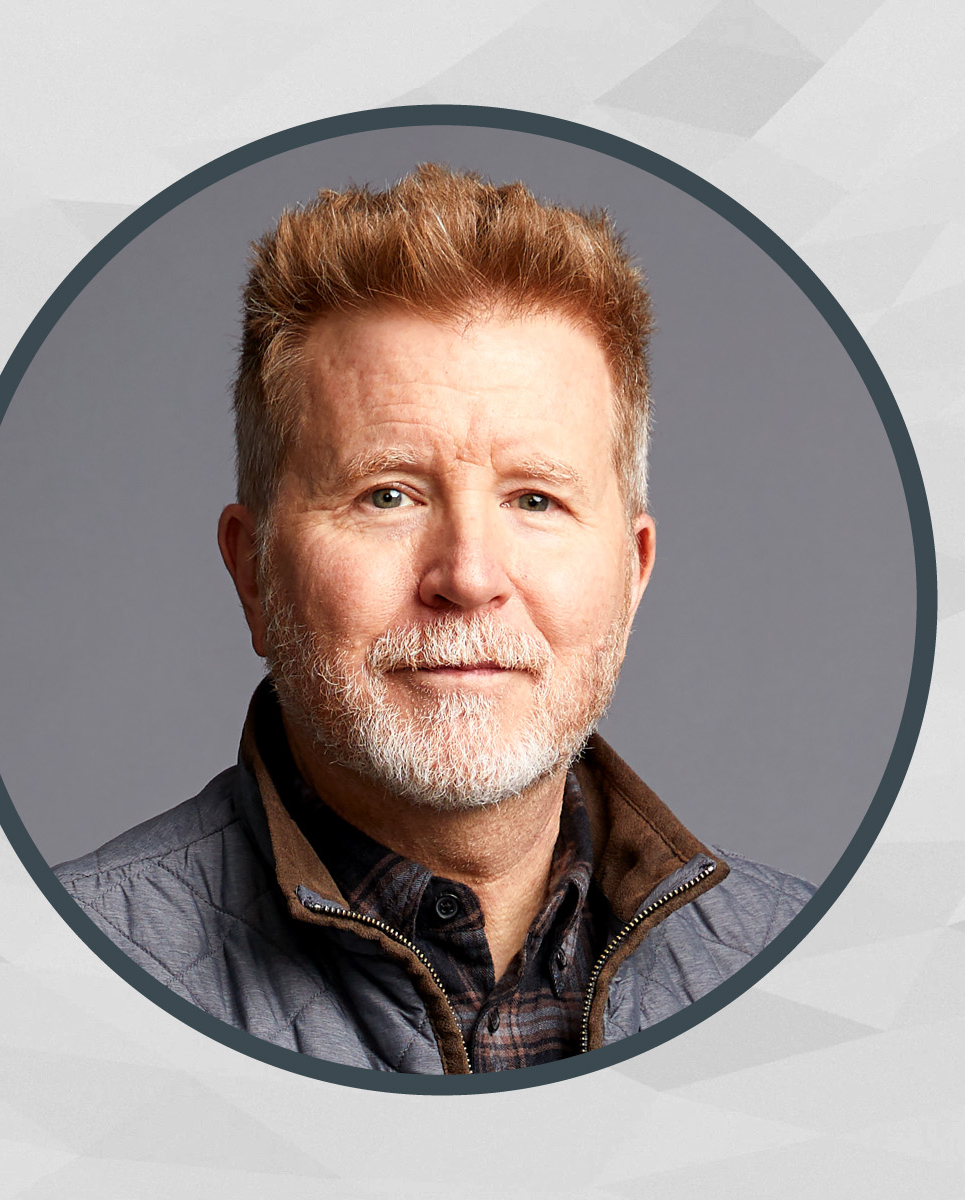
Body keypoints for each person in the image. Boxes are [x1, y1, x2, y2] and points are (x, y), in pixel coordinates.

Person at [53, 163, 812, 1074]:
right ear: (252, 572)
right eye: (388, 495)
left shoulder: (814, 978)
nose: (469, 575)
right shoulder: (54, 984)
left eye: (534, 500)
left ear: (632, 572)